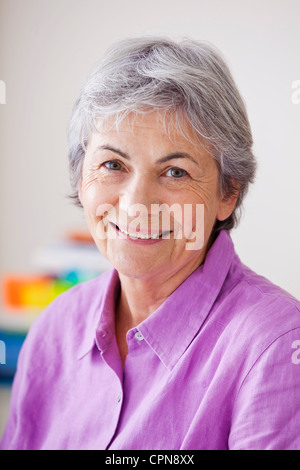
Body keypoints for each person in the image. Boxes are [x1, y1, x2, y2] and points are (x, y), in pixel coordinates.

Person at [1, 36, 299, 450]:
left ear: (228, 192)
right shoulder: (54, 329)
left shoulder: (278, 345)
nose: (136, 204)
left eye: (175, 171)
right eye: (112, 164)